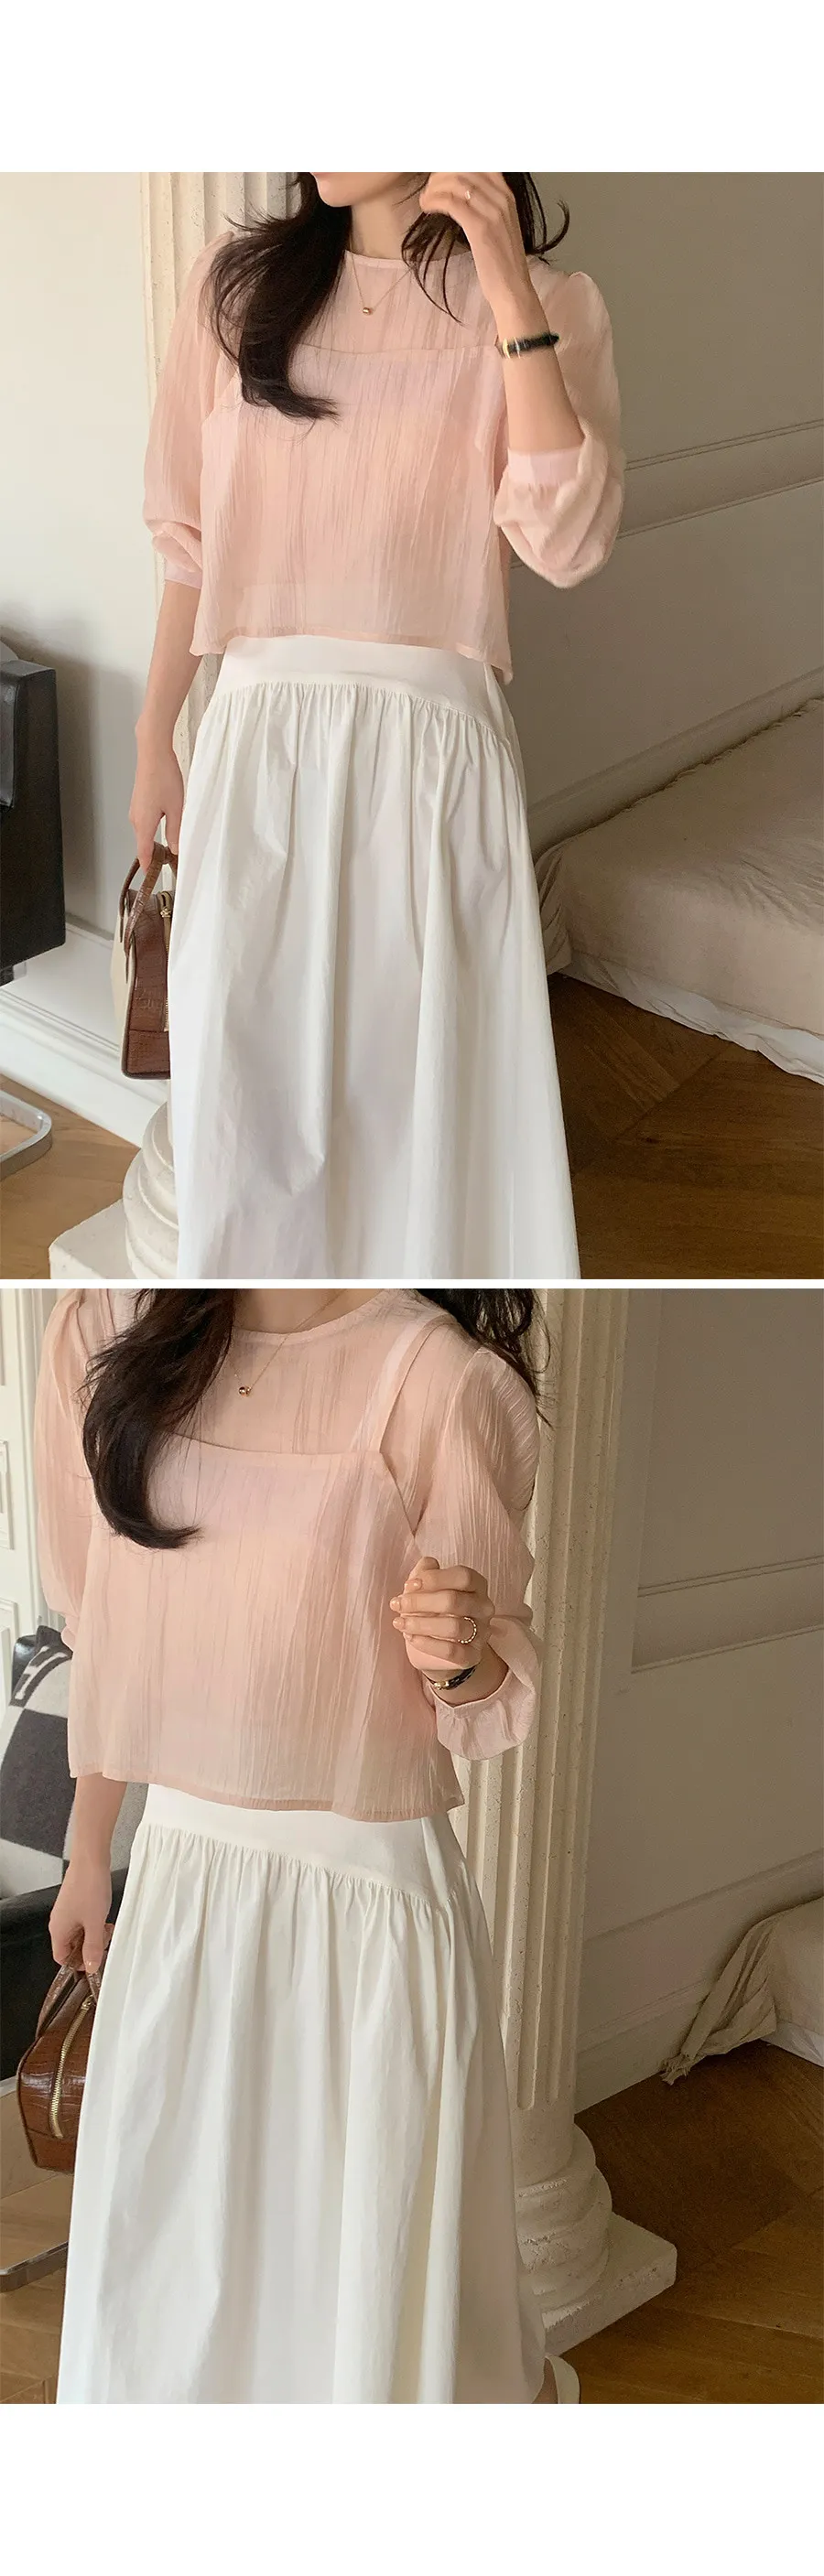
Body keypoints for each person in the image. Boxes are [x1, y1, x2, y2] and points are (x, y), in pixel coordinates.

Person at [38, 1282, 579, 2404]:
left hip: (364, 1906)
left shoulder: (439, 1380)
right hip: (184, 1887)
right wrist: (88, 1849)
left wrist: (457, 1651)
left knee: (356, 2276)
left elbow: (481, 1699)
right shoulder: (114, 1327)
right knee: (169, 2272)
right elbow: (111, 1636)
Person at [132, 172, 623, 1279]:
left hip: (431, 764)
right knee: (244, 1115)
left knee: (421, 1117)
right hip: (255, 754)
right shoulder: (233, 291)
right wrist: (155, 735)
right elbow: (189, 548)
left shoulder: (550, 303)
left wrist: (507, 289)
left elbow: (565, 540)